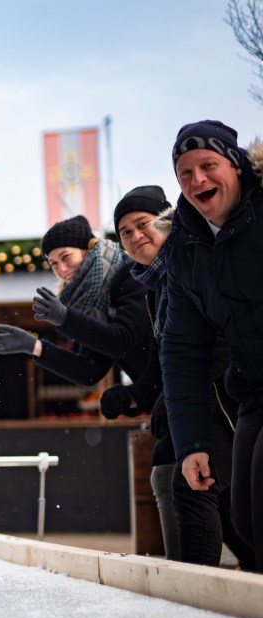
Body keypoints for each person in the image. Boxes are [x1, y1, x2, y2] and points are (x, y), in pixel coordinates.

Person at [107, 185, 254, 568]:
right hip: (196, 404)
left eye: (142, 225)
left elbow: (217, 340)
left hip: (226, 400)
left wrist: (166, 398)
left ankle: (192, 589)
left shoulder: (191, 263)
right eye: (125, 232)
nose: (136, 237)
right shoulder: (155, 284)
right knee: (216, 501)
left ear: (168, 222)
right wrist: (136, 395)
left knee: (190, 486)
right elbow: (166, 358)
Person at [162, 120, 263, 570]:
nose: (197, 180)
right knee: (245, 517)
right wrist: (192, 445)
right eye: (185, 172)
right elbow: (182, 350)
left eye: (208, 165)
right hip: (254, 391)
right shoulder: (185, 249)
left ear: (236, 166)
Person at [0, 215, 152, 394]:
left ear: (87, 250)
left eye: (66, 257)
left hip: (177, 382)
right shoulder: (85, 301)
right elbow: (89, 370)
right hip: (160, 394)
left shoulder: (128, 273)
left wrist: (66, 318)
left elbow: (123, 342)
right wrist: (34, 346)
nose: (61, 269)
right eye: (53, 263)